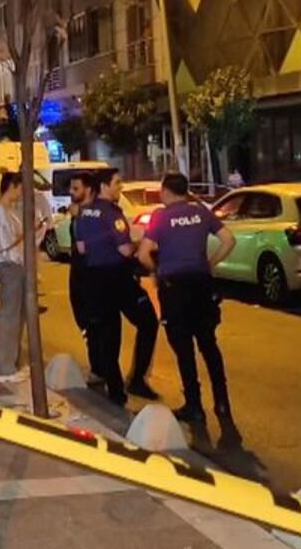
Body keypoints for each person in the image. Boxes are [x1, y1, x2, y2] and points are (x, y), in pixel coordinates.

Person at [137, 172, 237, 422]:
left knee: (183, 349)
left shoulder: (160, 217)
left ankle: (194, 405)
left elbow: (143, 254)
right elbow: (228, 240)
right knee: (209, 344)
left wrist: (156, 271)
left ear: (165, 191)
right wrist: (210, 264)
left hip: (175, 288)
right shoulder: (201, 213)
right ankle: (222, 402)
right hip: (201, 284)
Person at [74, 169, 160, 406]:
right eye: (117, 183)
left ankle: (115, 390)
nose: (120, 187)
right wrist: (139, 244)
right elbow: (124, 250)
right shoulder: (112, 214)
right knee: (148, 322)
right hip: (118, 279)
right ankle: (137, 379)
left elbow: (81, 248)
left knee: (108, 334)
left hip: (94, 279)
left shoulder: (83, 213)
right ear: (104, 186)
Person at [0, 172, 29, 384]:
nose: (21, 193)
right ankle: (4, 368)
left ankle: (10, 363)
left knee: (15, 316)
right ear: (12, 186)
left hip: (14, 265)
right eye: (20, 188)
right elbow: (3, 245)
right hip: (8, 266)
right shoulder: (1, 212)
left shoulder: (8, 210)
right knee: (9, 317)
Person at [65, 172, 103, 384]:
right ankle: (98, 366)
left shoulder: (94, 214)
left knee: (94, 324)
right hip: (78, 275)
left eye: (76, 188)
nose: (71, 192)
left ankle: (101, 369)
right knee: (85, 323)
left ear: (88, 190)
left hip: (91, 276)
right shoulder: (78, 213)